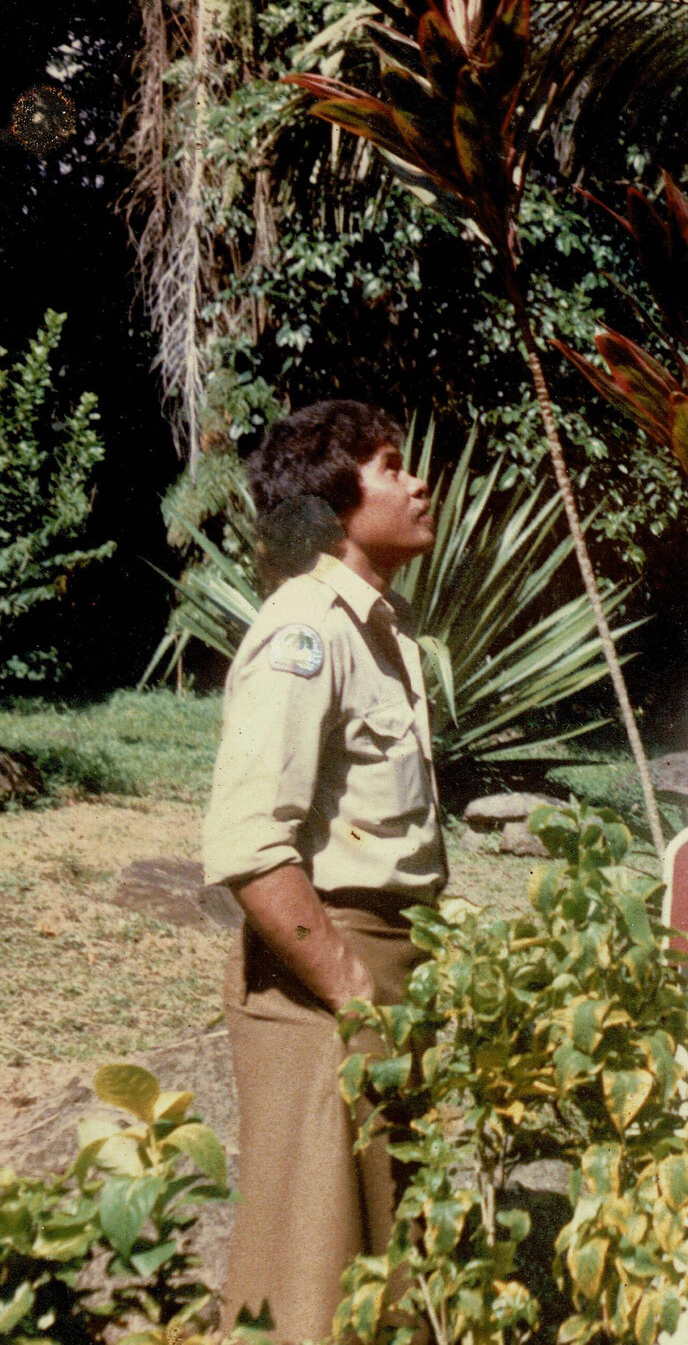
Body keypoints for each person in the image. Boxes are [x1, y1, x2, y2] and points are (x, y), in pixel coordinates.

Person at [203, 399, 446, 1343]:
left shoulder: (381, 628)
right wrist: (351, 988)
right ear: (339, 502)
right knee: (309, 1273)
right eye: (391, 465)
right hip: (323, 979)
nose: (417, 483)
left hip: (382, 970)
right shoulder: (304, 630)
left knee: (390, 1266)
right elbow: (250, 845)